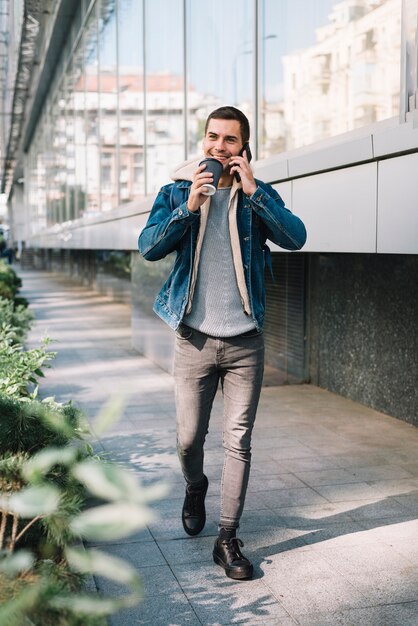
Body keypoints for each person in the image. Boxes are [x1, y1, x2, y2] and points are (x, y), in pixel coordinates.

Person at [138, 106, 306, 580]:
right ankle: (195, 486)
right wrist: (188, 208)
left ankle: (228, 538)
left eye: (230, 140)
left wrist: (255, 194)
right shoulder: (177, 191)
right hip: (193, 338)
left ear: (244, 148)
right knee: (189, 439)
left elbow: (296, 238)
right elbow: (149, 246)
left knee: (239, 441)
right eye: (213, 137)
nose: (219, 147)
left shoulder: (259, 194)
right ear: (203, 140)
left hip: (244, 343)